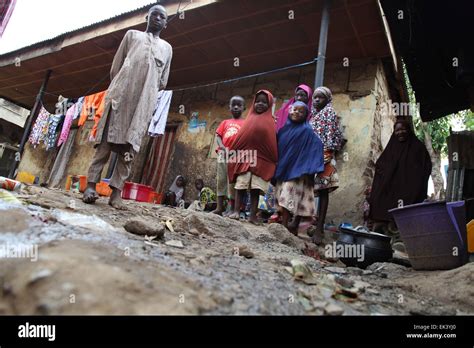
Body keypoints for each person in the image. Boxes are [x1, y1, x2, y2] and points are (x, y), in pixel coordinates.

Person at [82, 5, 173, 209]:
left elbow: (163, 81)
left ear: (166, 23)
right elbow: (116, 67)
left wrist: (145, 89)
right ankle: (90, 186)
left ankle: (116, 193)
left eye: (162, 16)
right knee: (104, 146)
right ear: (147, 17)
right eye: (154, 14)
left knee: (129, 151)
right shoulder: (132, 35)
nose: (158, 18)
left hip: (142, 105)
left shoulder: (167, 48)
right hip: (120, 99)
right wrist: (122, 87)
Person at [368, 118, 432, 252]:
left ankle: (405, 243)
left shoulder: (417, 147)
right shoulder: (392, 148)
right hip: (391, 189)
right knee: (379, 200)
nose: (400, 133)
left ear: (408, 130)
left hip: (410, 191)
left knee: (407, 212)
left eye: (403, 129)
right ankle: (384, 240)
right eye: (397, 130)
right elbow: (381, 165)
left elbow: (425, 167)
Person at [274, 101, 324, 235]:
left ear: (306, 115)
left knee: (287, 196)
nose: (296, 112)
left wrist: (309, 166)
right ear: (289, 110)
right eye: (294, 109)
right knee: (281, 196)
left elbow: (317, 145)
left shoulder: (307, 131)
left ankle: (285, 226)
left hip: (298, 172)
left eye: (301, 111)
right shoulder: (284, 130)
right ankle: (289, 226)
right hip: (284, 169)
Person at [228, 90, 278, 224]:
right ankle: (236, 211)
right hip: (245, 157)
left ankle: (252, 216)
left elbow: (272, 141)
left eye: (264, 102)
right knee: (241, 185)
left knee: (256, 188)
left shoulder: (271, 121)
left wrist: (273, 159)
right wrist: (234, 152)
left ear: (270, 104)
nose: (260, 104)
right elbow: (241, 137)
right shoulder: (249, 118)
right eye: (257, 101)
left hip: (261, 160)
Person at [309, 87, 343, 244]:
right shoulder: (313, 116)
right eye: (315, 97)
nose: (316, 100)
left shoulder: (329, 113)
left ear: (327, 99)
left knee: (323, 191)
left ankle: (319, 228)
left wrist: (326, 156)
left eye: (320, 98)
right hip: (311, 157)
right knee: (306, 188)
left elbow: (331, 137)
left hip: (325, 157)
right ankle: (303, 221)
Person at [212, 96, 246, 215]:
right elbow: (218, 136)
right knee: (221, 179)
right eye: (233, 105)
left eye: (239, 105)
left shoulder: (246, 123)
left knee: (233, 182)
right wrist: (223, 147)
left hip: (236, 156)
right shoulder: (225, 122)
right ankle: (219, 207)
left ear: (244, 108)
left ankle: (232, 209)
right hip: (222, 154)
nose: (236, 107)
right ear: (229, 107)